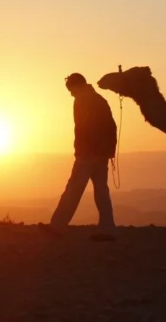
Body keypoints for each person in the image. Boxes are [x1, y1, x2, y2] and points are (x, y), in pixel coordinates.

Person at [39, 72, 118, 241]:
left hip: (87, 154)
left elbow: (83, 128)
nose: (70, 93)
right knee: (101, 191)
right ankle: (108, 229)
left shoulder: (82, 101)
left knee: (73, 189)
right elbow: (111, 126)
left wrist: (81, 150)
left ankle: (57, 227)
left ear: (76, 86)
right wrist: (109, 150)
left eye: (71, 90)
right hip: (101, 154)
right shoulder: (99, 100)